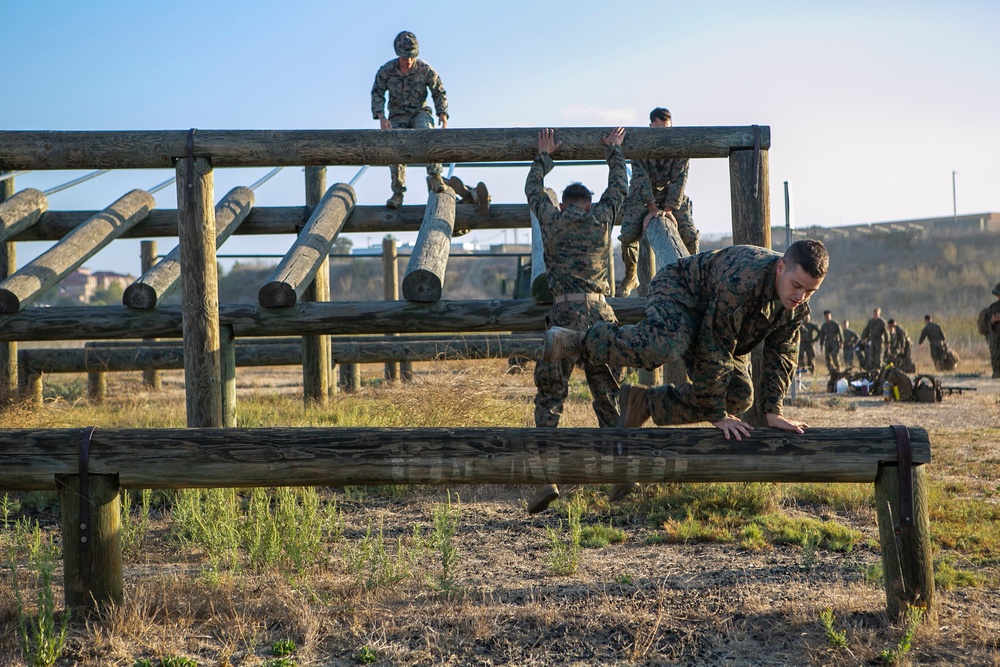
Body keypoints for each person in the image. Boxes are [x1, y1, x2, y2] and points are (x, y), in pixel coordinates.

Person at [541, 239, 829, 441]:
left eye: (810, 291)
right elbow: (714, 348)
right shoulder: (744, 282)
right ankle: (580, 340)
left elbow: (782, 356)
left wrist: (773, 411)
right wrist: (716, 414)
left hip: (719, 322)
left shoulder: (796, 308)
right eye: (796, 285)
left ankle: (644, 403)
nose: (800, 296)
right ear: (781, 268)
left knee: (740, 395)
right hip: (682, 292)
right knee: (667, 344)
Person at [526, 128, 628, 514]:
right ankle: (621, 474)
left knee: (551, 398)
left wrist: (544, 156)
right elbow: (619, 187)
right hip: (600, 314)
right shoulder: (600, 219)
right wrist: (614, 152)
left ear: (565, 204)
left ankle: (543, 480)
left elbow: (533, 190)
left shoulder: (550, 221)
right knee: (608, 396)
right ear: (587, 205)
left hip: (564, 315)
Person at [617, 107, 699, 296]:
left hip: (671, 195)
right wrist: (652, 209)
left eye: (666, 130)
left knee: (690, 234)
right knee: (628, 234)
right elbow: (640, 179)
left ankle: (696, 275)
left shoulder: (680, 146)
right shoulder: (641, 145)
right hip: (642, 195)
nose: (663, 135)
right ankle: (631, 275)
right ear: (650, 127)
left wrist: (669, 210)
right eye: (658, 130)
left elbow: (680, 179)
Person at [371, 31, 449, 209]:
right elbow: (377, 92)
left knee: (426, 133)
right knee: (396, 146)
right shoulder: (387, 71)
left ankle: (435, 176)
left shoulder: (424, 69)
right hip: (397, 115)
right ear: (398, 54)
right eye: (405, 56)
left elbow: (438, 91)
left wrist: (442, 112)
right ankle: (398, 193)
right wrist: (381, 116)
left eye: (411, 56)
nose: (408, 60)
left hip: (419, 112)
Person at [978, 282, 1000, 378]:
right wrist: (992, 321)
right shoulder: (993, 307)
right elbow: (985, 326)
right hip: (995, 341)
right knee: (997, 368)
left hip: (995, 341)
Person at [818, 310, 843, 376]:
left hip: (835, 342)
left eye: (828, 315)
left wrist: (841, 342)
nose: (827, 317)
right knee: (827, 357)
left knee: (834, 355)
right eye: (826, 316)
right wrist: (821, 345)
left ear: (830, 316)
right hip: (827, 343)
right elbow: (822, 336)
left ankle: (839, 369)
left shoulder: (835, 324)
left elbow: (840, 333)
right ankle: (831, 371)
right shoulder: (824, 326)